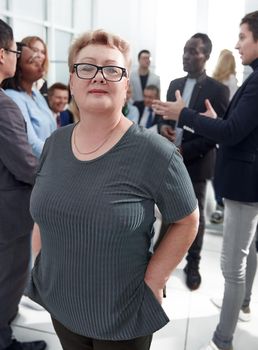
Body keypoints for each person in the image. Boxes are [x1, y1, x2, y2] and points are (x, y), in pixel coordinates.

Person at [26, 29, 199, 350]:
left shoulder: (155, 152)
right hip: (60, 304)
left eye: (112, 69)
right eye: (87, 67)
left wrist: (154, 280)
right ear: (73, 81)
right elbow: (42, 208)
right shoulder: (55, 143)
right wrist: (40, 261)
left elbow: (187, 219)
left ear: (126, 85)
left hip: (121, 314)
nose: (99, 76)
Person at [152, 10, 258, 350]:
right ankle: (239, 306)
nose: (238, 44)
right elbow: (234, 125)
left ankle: (222, 338)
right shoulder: (249, 79)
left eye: (243, 37)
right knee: (247, 253)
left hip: (229, 177)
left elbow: (229, 132)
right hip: (209, 169)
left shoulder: (244, 83)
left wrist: (185, 116)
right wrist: (184, 124)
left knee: (231, 263)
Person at [156, 33, 229, 291]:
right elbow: (164, 117)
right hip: (169, 161)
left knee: (194, 217)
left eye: (193, 51)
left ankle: (193, 264)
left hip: (196, 163)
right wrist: (163, 126)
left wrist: (184, 151)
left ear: (206, 56)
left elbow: (214, 134)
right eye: (185, 50)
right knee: (167, 214)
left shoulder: (218, 90)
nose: (186, 55)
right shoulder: (174, 83)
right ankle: (159, 264)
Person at [0, 19, 46, 350]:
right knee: (8, 281)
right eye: (16, 50)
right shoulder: (5, 104)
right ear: (2, 55)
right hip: (8, 213)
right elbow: (24, 163)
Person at [2, 40, 56, 159]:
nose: (39, 63)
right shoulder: (14, 97)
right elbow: (30, 143)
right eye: (32, 61)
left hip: (49, 163)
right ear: (19, 70)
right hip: (38, 167)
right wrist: (59, 158)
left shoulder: (36, 94)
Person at [210, 49, 239, 224]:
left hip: (210, 126)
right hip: (224, 127)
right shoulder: (232, 81)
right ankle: (220, 205)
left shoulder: (213, 82)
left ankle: (217, 205)